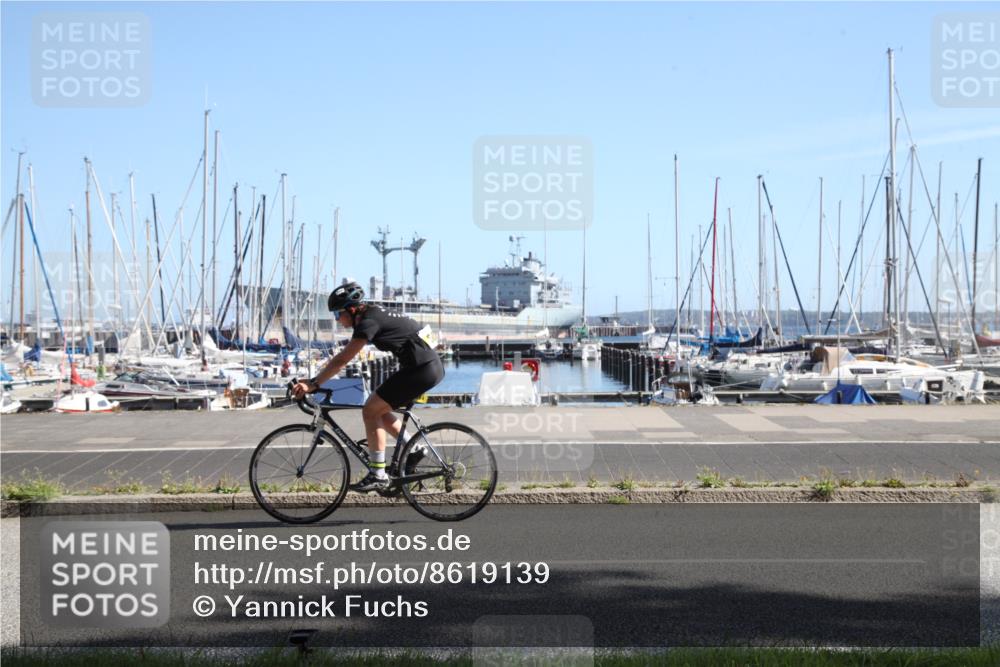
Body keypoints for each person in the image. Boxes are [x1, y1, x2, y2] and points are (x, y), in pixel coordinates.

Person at [291, 281, 444, 492]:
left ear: (351, 310)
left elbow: (343, 359)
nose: (338, 321)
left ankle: (378, 474)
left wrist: (314, 383)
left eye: (338, 315)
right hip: (423, 367)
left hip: (421, 369)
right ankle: (414, 449)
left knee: (370, 409)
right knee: (377, 408)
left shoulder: (368, 322)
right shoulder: (373, 314)